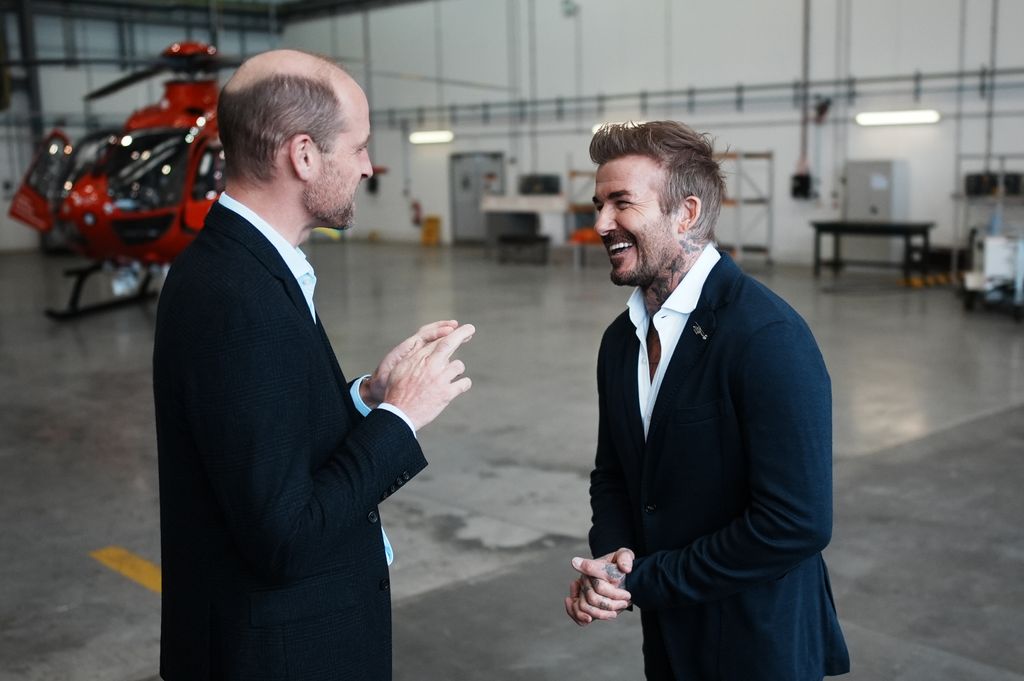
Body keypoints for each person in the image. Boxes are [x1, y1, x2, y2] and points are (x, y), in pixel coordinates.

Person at [153, 49, 474, 681]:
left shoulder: (249, 268)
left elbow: (266, 438)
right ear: (303, 155)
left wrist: (365, 396)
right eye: (357, 147)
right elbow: (285, 536)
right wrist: (399, 418)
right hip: (277, 658)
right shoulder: (234, 296)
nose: (366, 165)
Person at [564, 121, 850, 680]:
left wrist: (642, 581)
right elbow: (615, 475)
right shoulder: (620, 342)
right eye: (598, 204)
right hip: (672, 642)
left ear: (686, 214)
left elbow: (795, 524)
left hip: (759, 643)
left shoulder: (766, 337)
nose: (600, 223)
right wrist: (613, 559)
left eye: (621, 203)